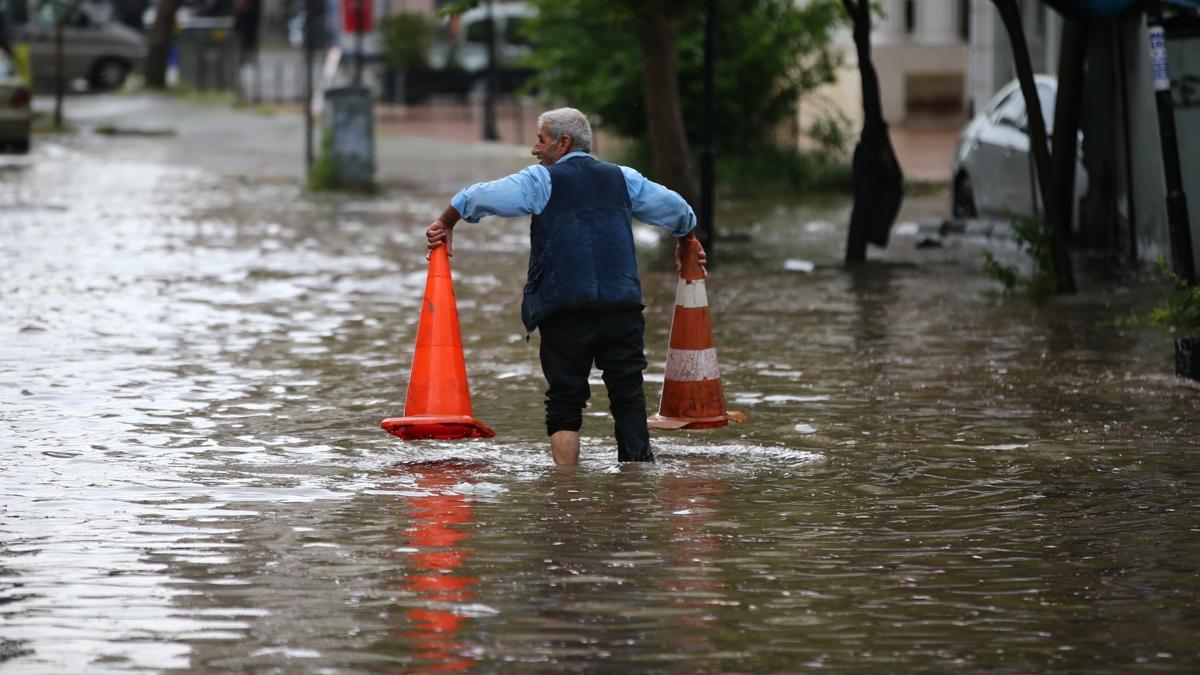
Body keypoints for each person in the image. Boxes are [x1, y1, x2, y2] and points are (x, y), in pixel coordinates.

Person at [425, 107, 705, 467]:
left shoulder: (541, 181)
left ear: (563, 142)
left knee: (565, 401)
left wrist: (447, 220)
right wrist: (686, 240)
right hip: (622, 308)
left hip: (564, 309)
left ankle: (566, 490)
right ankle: (636, 489)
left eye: (540, 140)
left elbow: (478, 196)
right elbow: (678, 209)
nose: (534, 149)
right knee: (629, 397)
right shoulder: (623, 178)